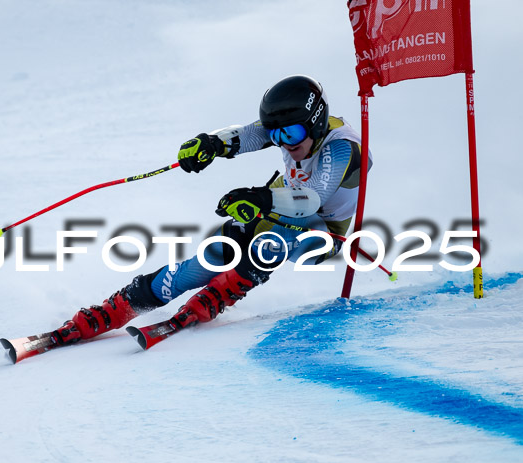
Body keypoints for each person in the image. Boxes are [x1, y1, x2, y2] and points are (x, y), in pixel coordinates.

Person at [51, 74, 372, 346]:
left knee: (267, 245)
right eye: (277, 135)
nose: (284, 142)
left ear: (314, 124)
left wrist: (261, 199)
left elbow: (312, 199)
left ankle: (214, 299)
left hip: (324, 232)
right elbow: (249, 134)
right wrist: (211, 145)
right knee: (220, 249)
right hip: (284, 206)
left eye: (291, 133)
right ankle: (120, 306)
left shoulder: (342, 147)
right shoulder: (289, 131)